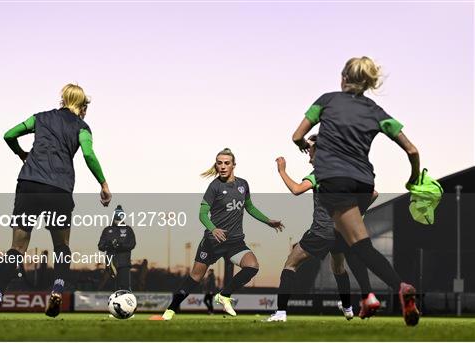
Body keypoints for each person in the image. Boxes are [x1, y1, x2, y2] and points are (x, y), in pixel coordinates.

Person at [291, 56, 421, 326]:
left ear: (343, 78)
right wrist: (413, 179)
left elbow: (296, 135)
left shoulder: (326, 100)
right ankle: (368, 297)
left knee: (359, 245)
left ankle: (400, 286)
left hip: (334, 183)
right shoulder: (375, 110)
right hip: (364, 184)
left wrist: (304, 143)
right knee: (347, 242)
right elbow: (412, 150)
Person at [0, 84, 112, 320]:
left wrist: (21, 154)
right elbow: (88, 154)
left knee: (17, 248)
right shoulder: (82, 127)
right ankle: (57, 289)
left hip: (29, 184)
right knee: (61, 246)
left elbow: (8, 135)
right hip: (59, 190)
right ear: (83, 106)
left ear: (63, 100)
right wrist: (103, 184)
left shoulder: (40, 118)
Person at [157, 148, 284, 320]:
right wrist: (213, 229)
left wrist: (268, 221)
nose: (222, 166)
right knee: (195, 277)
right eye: (219, 163)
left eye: (226, 163)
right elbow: (202, 214)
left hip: (235, 242)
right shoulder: (214, 187)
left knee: (252, 266)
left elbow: (250, 207)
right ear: (216, 165)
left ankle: (224, 295)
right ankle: (170, 310)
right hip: (213, 242)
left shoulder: (243, 184)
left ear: (234, 165)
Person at [265, 135, 379, 322]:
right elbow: (373, 194)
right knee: (338, 267)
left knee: (290, 264)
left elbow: (296, 189)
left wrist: (282, 170)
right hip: (342, 233)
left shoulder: (320, 173)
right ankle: (348, 308)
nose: (308, 155)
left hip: (321, 232)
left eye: (311, 151)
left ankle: (280, 313)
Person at [98, 205, 136, 291]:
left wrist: (120, 246)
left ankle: (124, 303)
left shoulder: (128, 229)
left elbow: (132, 244)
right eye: (116, 218)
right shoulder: (107, 230)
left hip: (124, 264)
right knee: (110, 288)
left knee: (124, 288)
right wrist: (109, 245)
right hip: (110, 265)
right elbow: (100, 246)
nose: (118, 220)